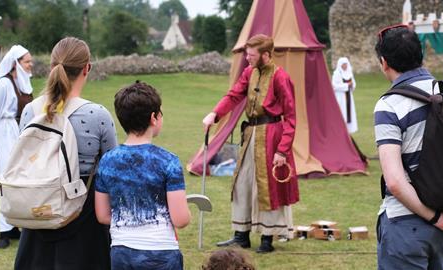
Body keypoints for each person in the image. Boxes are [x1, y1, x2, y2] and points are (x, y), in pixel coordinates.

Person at [15, 37, 117, 269]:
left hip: (38, 212)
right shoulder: (98, 115)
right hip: (85, 221)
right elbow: (112, 171)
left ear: (52, 67)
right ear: (87, 68)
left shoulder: (30, 111)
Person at [374, 25, 443, 269]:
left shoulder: (389, 105)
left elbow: (394, 180)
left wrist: (436, 218)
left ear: (384, 63)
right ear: (421, 56)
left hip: (406, 227)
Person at [203, 34, 298, 253]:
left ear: (266, 55)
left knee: (267, 187)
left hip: (272, 135)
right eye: (247, 54)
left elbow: (291, 118)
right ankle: (241, 235)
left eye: (251, 55)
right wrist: (214, 114)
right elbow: (234, 95)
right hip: (251, 135)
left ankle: (267, 239)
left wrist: (282, 150)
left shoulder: (280, 77)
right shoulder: (249, 72)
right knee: (242, 183)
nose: (247, 58)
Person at [95, 81, 191, 269]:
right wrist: (187, 213)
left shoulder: (107, 160)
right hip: (161, 253)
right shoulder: (168, 161)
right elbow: (181, 219)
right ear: (154, 118)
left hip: (121, 252)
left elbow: (103, 215)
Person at [0, 45, 33, 249]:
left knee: (19, 180)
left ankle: (15, 225)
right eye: (27, 61)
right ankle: (4, 230)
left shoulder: (20, 81)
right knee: (7, 181)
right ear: (16, 64)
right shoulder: (3, 85)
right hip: (3, 133)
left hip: (17, 132)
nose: (30, 64)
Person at [332, 57, 357, 134]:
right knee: (342, 112)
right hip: (340, 97)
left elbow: (354, 84)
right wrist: (346, 85)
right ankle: (340, 129)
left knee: (349, 112)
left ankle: (348, 130)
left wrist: (352, 85)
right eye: (343, 64)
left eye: (346, 64)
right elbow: (334, 86)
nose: (345, 66)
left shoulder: (349, 73)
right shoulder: (337, 74)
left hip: (349, 96)